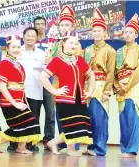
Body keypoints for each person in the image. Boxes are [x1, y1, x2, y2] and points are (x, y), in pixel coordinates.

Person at [40, 31, 95, 156]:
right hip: (64, 99)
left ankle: (53, 143)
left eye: (76, 43)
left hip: (79, 98)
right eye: (71, 42)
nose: (74, 45)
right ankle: (70, 149)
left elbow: (91, 76)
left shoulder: (80, 60)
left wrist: (90, 91)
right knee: (71, 125)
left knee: (79, 125)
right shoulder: (57, 60)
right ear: (63, 43)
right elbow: (43, 77)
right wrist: (55, 91)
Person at [0, 35, 42, 154]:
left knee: (29, 122)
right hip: (8, 102)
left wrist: (24, 102)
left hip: (20, 101)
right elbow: (2, 87)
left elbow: (22, 88)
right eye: (13, 47)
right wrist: (14, 103)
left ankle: (16, 146)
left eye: (18, 47)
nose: (17, 49)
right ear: (7, 48)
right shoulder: (4, 64)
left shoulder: (20, 66)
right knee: (26, 122)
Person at [83, 8, 116, 156]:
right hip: (87, 87)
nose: (96, 33)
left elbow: (111, 72)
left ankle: (100, 148)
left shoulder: (110, 50)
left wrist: (107, 91)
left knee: (100, 119)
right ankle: (91, 146)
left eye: (99, 30)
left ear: (105, 33)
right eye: (94, 30)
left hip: (101, 86)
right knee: (89, 118)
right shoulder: (87, 49)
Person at [51, 5, 82, 151]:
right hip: (58, 85)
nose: (64, 27)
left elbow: (81, 65)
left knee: (75, 117)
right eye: (62, 24)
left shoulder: (77, 44)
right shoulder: (55, 44)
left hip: (75, 85)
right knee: (60, 116)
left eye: (67, 24)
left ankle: (73, 146)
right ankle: (62, 144)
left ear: (73, 25)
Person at [114, 13, 139, 158]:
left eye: (130, 32)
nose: (127, 35)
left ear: (136, 34)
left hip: (133, 89)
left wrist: (126, 87)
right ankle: (124, 148)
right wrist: (117, 87)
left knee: (133, 119)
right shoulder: (118, 52)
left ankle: (132, 149)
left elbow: (138, 72)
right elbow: (114, 71)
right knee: (123, 119)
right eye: (125, 32)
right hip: (120, 89)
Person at [10, 27, 46, 152]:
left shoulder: (42, 54)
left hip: (36, 91)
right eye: (28, 35)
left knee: (34, 117)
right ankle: (14, 143)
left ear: (37, 38)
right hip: (19, 91)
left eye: (33, 35)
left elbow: (46, 72)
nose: (30, 38)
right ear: (23, 37)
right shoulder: (17, 51)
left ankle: (31, 143)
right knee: (17, 118)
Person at [33, 16, 56, 150]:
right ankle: (33, 139)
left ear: (46, 26)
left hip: (49, 81)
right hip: (34, 82)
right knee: (34, 113)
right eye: (37, 24)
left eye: (42, 24)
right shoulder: (30, 41)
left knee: (50, 114)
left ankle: (49, 141)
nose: (40, 26)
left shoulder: (52, 42)